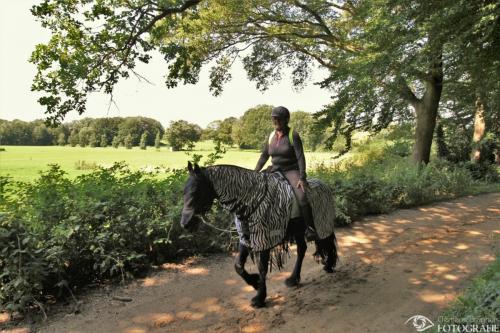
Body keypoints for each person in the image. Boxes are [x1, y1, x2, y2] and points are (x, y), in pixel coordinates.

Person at [255, 106, 318, 241]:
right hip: (274, 170)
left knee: (301, 196)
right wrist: (254, 172)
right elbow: (264, 156)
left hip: (290, 170)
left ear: (286, 119)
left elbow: (300, 156)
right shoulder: (271, 135)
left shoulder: (292, 135)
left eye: (278, 118)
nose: (276, 121)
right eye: (274, 118)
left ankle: (310, 228)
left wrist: (302, 177)